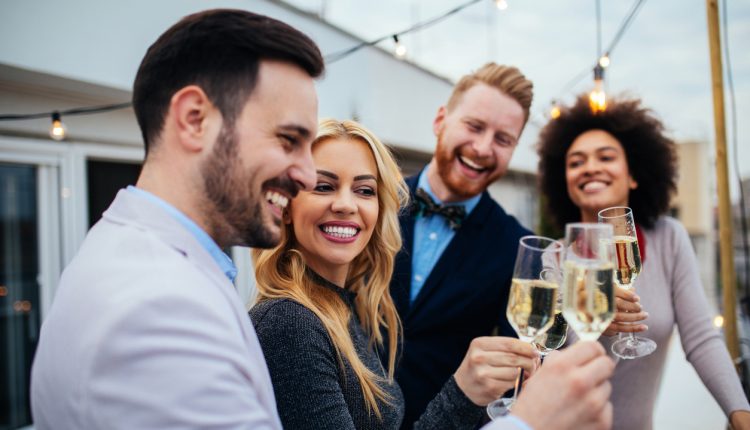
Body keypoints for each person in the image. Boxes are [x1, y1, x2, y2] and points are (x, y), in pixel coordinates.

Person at [30, 9, 324, 429]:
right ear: (194, 120)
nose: (308, 175)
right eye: (289, 140)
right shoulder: (158, 313)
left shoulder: (134, 255)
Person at [250, 119, 615, 430]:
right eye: (324, 186)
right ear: (285, 207)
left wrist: (466, 390)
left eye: (364, 190)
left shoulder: (341, 307)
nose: (346, 204)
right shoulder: (289, 322)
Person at [537, 94, 750, 430]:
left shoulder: (669, 238)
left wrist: (741, 413)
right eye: (576, 162)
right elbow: (545, 360)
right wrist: (592, 326)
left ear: (634, 176)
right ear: (564, 182)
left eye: (605, 157)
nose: (590, 167)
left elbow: (701, 339)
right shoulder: (554, 258)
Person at [389, 63, 534, 427]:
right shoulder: (371, 204)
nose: (483, 148)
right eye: (474, 126)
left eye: (503, 139)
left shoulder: (516, 245)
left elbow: (528, 360)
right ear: (441, 120)